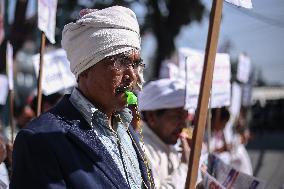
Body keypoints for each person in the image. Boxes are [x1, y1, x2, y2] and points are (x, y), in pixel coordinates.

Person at [10, 6, 154, 189]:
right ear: (86, 69)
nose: (132, 75)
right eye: (121, 62)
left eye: (135, 64)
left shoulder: (128, 132)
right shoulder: (40, 140)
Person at [138, 79, 202, 189]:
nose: (183, 125)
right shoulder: (141, 150)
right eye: (177, 117)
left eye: (185, 118)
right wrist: (186, 166)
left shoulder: (170, 146)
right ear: (152, 117)